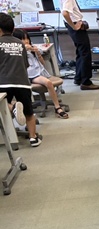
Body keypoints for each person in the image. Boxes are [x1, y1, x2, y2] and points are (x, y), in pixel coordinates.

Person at [0, 13, 42, 146]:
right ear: (12, 29)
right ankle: (33, 138)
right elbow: (25, 64)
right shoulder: (20, 43)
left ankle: (12, 108)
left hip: (3, 82)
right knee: (29, 112)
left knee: (3, 107)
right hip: (22, 82)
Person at [12, 29, 69, 119]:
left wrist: (38, 53)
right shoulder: (17, 51)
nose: (26, 41)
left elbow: (42, 63)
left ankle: (56, 106)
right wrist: (24, 49)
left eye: (27, 38)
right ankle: (57, 108)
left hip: (39, 72)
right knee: (48, 83)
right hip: (29, 75)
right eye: (23, 39)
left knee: (48, 82)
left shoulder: (32, 48)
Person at [60, 0, 99, 90]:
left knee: (80, 53)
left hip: (73, 25)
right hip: (75, 26)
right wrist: (74, 27)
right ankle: (86, 82)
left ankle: (78, 78)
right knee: (85, 54)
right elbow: (65, 13)